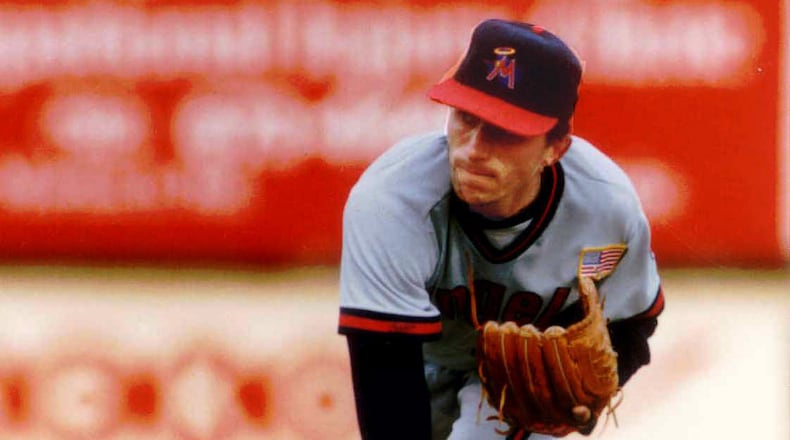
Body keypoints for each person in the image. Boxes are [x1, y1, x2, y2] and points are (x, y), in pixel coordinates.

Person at [337, 18, 664, 440]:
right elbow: (384, 372)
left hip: (519, 390)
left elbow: (633, 322)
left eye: (504, 130)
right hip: (416, 359)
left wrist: (591, 395)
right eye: (466, 118)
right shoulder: (391, 200)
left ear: (555, 148)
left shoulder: (605, 207)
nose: (473, 149)